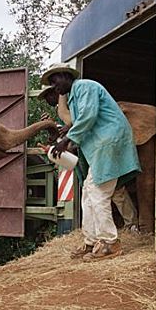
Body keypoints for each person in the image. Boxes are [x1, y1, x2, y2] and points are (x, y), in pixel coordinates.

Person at [40, 63, 141, 262]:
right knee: (87, 192)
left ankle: (110, 243)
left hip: (109, 142)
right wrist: (61, 143)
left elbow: (88, 118)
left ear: (65, 75)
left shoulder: (85, 87)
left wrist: (67, 141)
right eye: (51, 84)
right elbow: (80, 125)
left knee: (98, 192)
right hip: (100, 146)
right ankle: (92, 240)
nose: (54, 87)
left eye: (55, 81)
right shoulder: (74, 99)